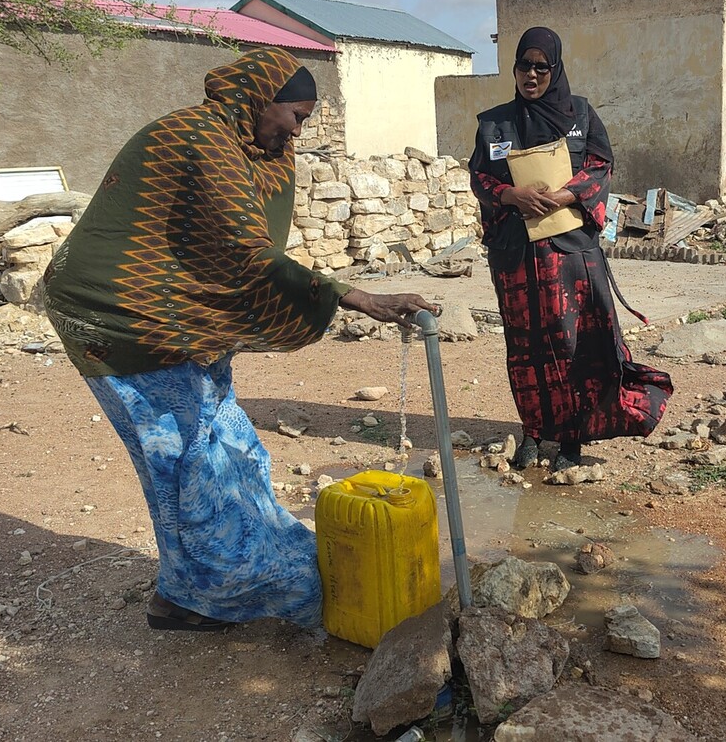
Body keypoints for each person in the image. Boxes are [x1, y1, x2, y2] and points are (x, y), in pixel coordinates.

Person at [41, 47, 436, 632]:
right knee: (187, 461)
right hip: (119, 315)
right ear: (260, 98)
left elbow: (241, 248)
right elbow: (241, 248)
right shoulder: (197, 137)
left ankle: (200, 586)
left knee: (230, 448)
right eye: (296, 117)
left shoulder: (247, 144)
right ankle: (220, 593)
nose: (298, 132)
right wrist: (355, 297)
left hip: (171, 315)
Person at [468, 27, 672, 472]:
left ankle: (572, 440)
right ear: (515, 69)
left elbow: (601, 166)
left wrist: (565, 195)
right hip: (517, 259)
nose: (532, 75)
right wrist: (510, 196)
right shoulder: (495, 123)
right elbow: (479, 177)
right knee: (527, 348)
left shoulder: (580, 114)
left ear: (555, 69)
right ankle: (533, 430)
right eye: (524, 65)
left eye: (542, 67)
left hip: (570, 256)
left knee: (575, 343)